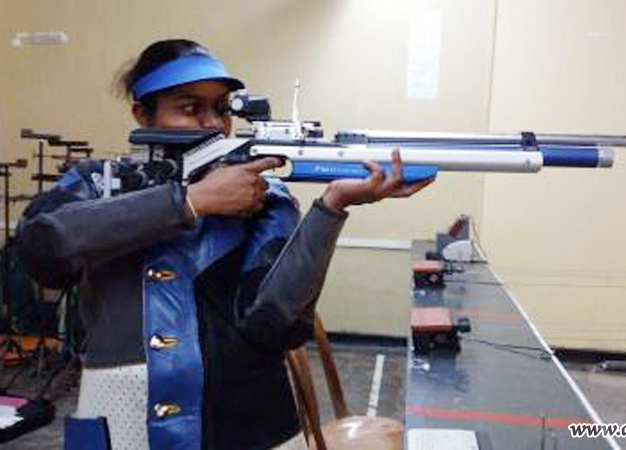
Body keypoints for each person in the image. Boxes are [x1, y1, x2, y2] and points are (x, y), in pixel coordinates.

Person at [17, 39, 432, 450]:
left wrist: (331, 207)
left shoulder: (261, 194)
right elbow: (42, 250)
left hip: (242, 425)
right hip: (121, 421)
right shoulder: (97, 181)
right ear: (143, 113)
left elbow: (274, 326)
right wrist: (189, 203)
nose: (212, 123)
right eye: (190, 108)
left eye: (221, 108)